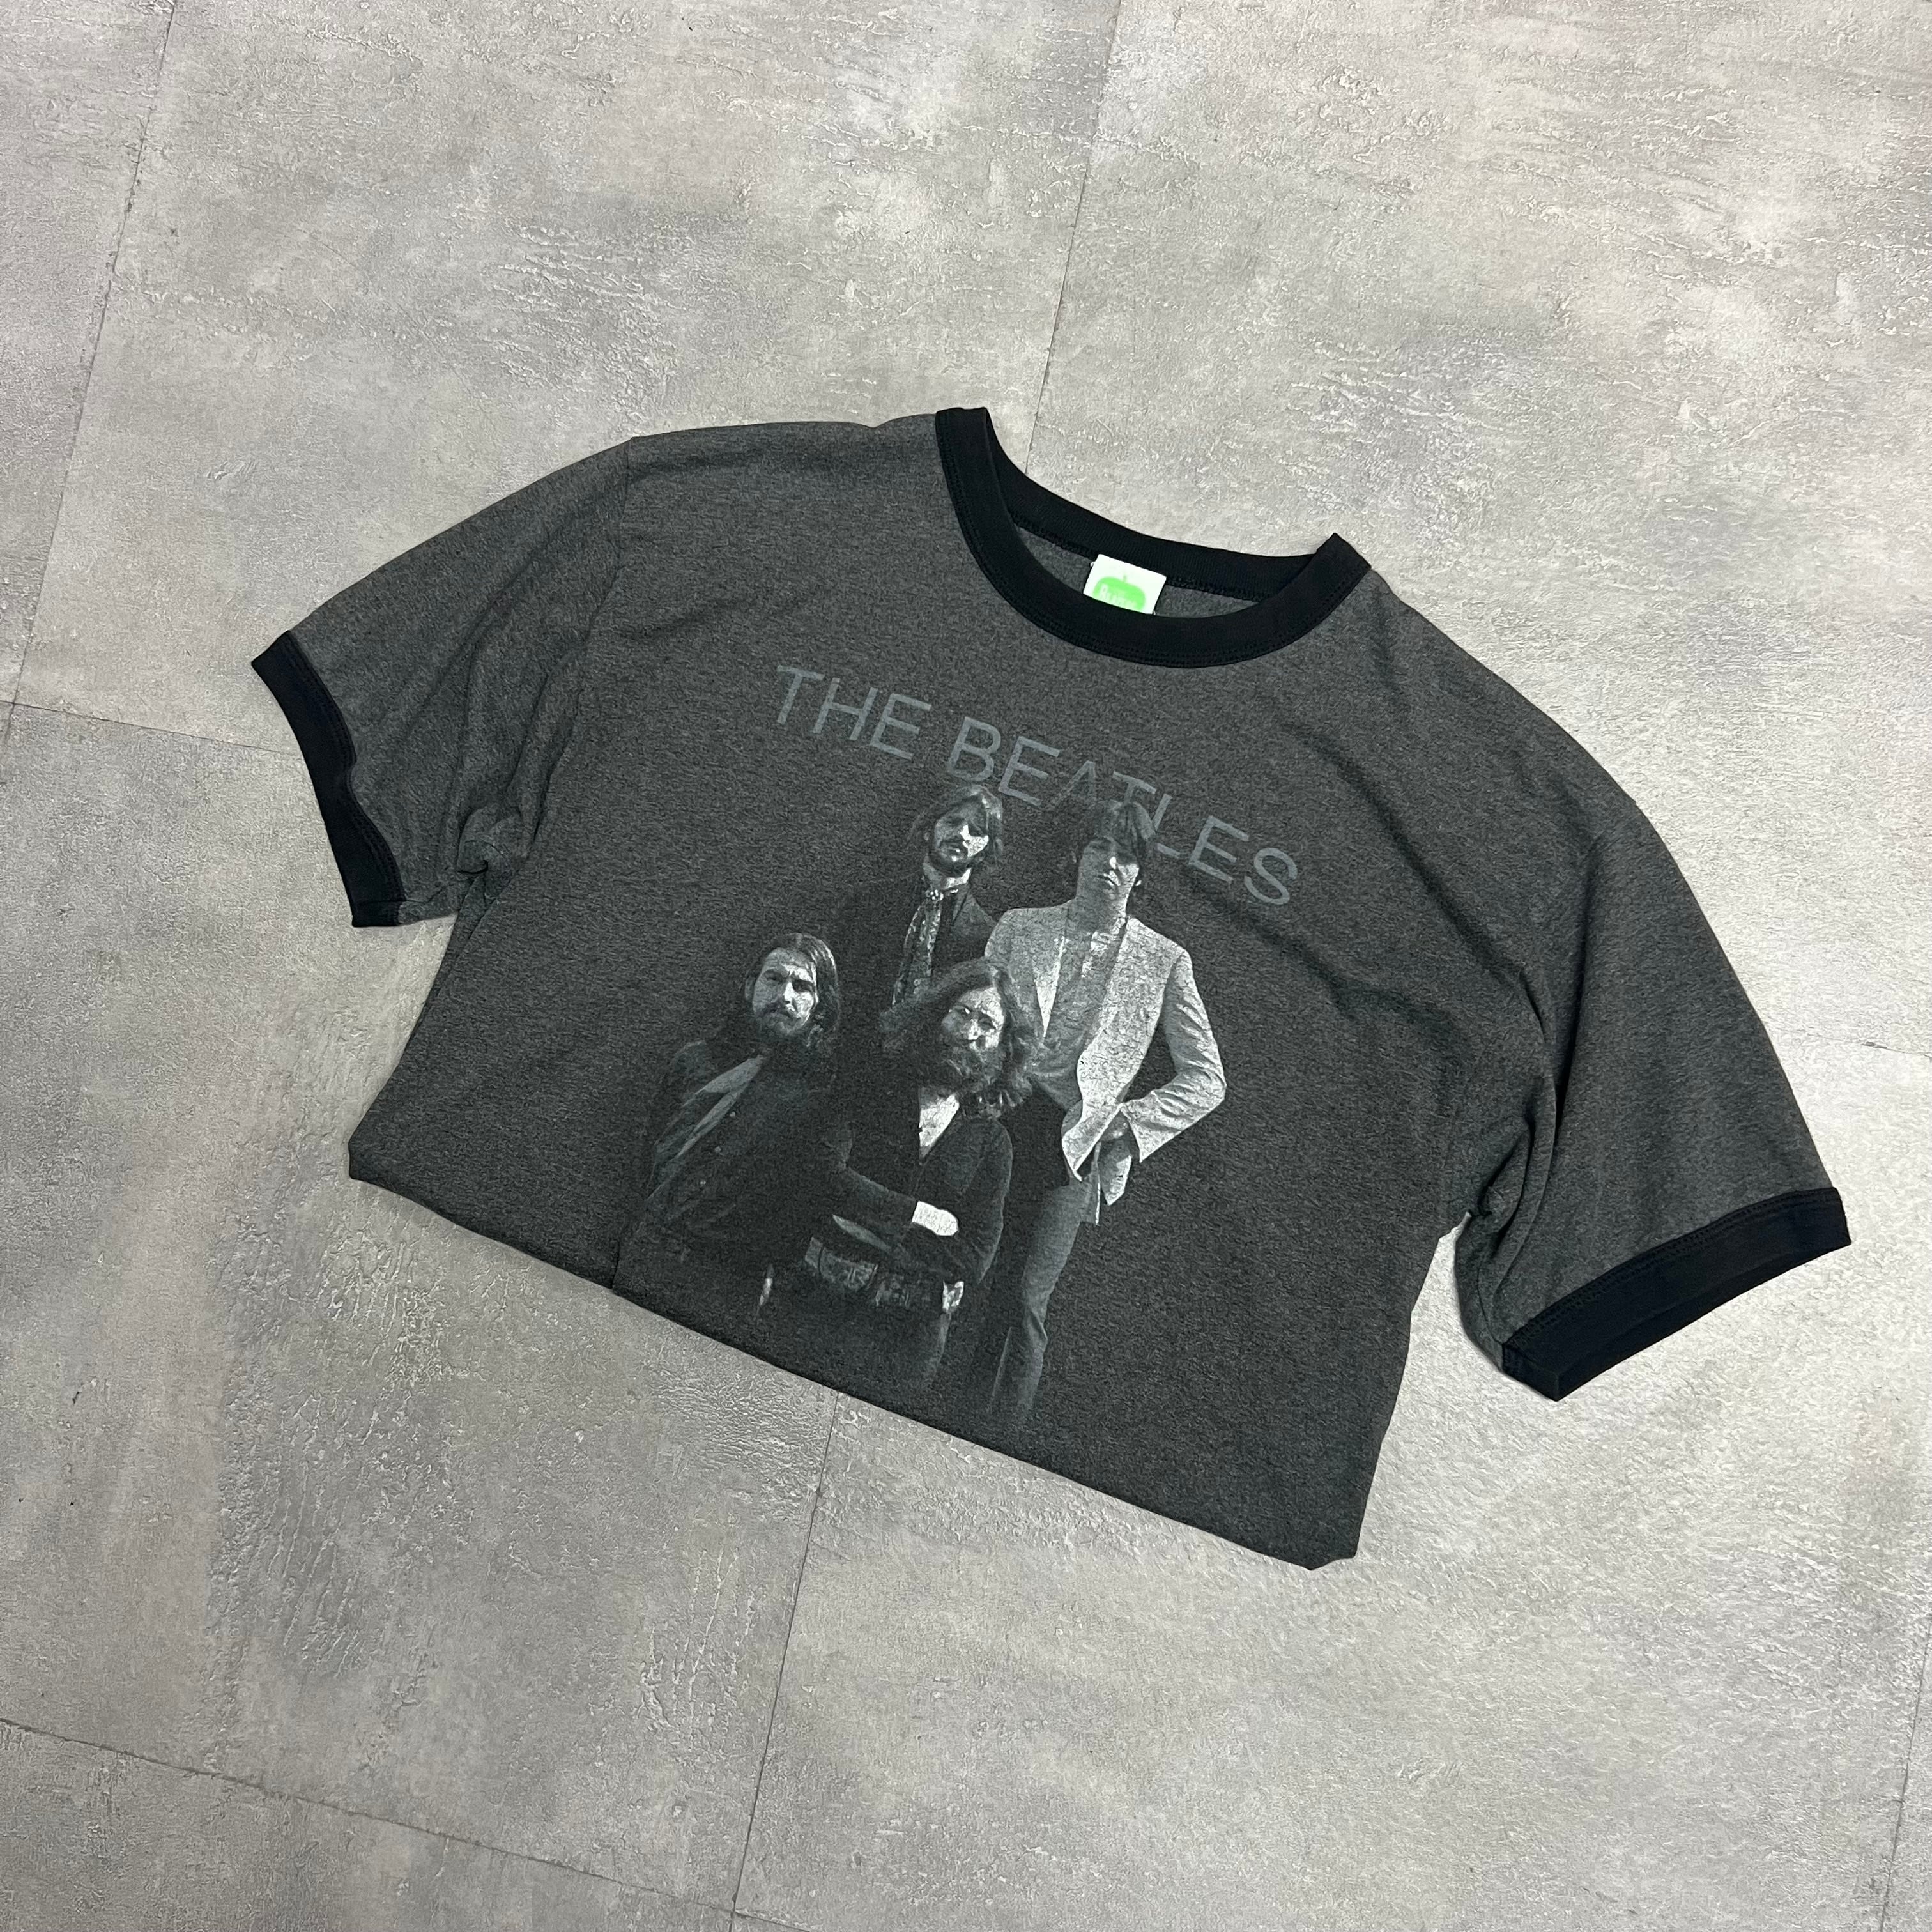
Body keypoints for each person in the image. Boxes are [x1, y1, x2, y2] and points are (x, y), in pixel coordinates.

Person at [956, 799, 1227, 1443]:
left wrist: (1126, 1123)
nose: (1108, 864)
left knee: (1025, 1299)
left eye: (1125, 856)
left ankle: (996, 1442)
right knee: (962, 1270)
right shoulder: (1021, 927)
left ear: (1140, 874)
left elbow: (1208, 1079)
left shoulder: (1164, 960)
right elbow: (971, 1015)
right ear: (1076, 857)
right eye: (1098, 848)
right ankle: (929, 1406)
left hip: (1073, 1145)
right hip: (995, 1118)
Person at [756, 956, 1034, 1401]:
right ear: (936, 1015)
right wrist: (920, 1215)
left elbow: (974, 1258)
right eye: (962, 1013)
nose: (969, 1033)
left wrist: (863, 1220)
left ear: (1003, 1048)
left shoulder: (993, 1143)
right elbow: (823, 1177)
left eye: (987, 1025)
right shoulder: (871, 1087)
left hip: (908, 1343)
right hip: (814, 1305)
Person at [624, 931, 850, 1298]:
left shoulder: (820, 1098)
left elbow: (809, 1202)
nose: (785, 996)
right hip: (648, 1251)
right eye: (774, 979)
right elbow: (649, 1154)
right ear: (750, 987)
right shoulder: (696, 1061)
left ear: (820, 1006)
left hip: (730, 1280)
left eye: (802, 987)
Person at [824, 782, 1005, 1097]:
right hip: (839, 1060)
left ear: (987, 849)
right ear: (928, 830)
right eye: (952, 822)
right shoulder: (866, 901)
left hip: (924, 1082)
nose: (961, 834)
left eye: (977, 830)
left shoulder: (986, 935)